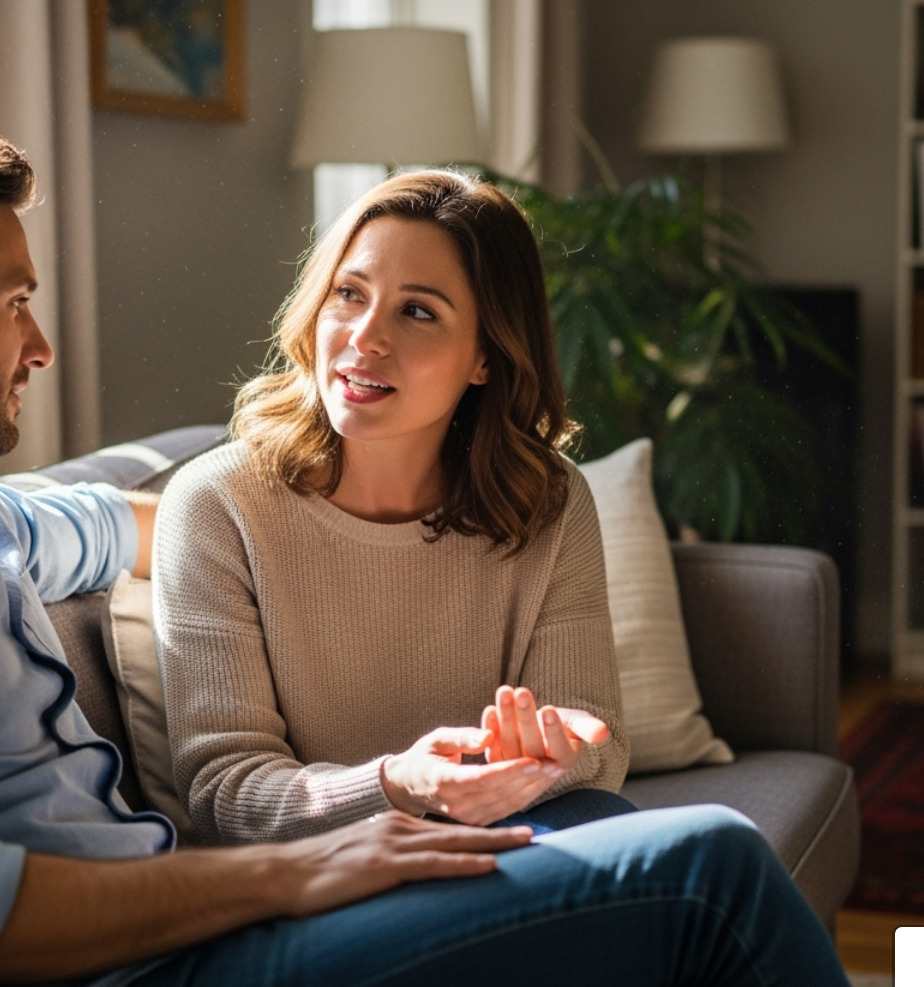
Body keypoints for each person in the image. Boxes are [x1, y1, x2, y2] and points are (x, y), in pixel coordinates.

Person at [0, 111, 872, 987]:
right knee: (708, 860)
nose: (39, 343)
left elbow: (123, 520)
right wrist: (296, 872)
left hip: (183, 939)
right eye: (15, 300)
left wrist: (218, 525)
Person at [153, 171, 636, 844]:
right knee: (710, 864)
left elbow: (597, 745)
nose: (364, 337)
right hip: (321, 877)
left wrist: (535, 757)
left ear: (486, 358)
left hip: (516, 837)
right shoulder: (218, 505)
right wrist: (399, 785)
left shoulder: (548, 502)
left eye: (418, 312)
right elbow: (224, 792)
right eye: (348, 294)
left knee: (678, 850)